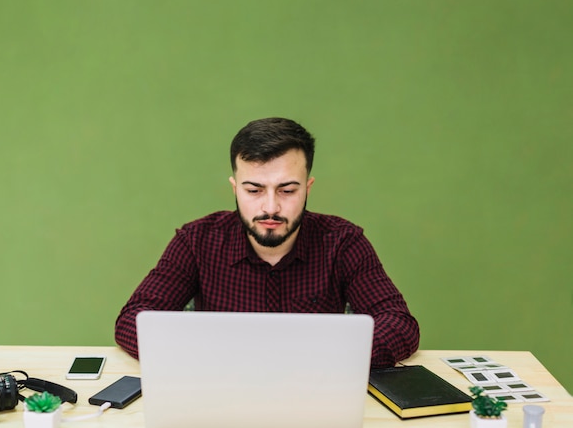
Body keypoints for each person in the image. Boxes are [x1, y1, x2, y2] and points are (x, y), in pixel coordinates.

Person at [115, 117, 419, 367]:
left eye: (287, 191)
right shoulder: (197, 241)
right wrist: (210, 355)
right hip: (220, 399)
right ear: (235, 188)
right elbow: (133, 320)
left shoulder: (343, 242)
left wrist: (317, 357)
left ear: (308, 188)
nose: (270, 207)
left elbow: (400, 326)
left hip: (314, 399)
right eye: (254, 190)